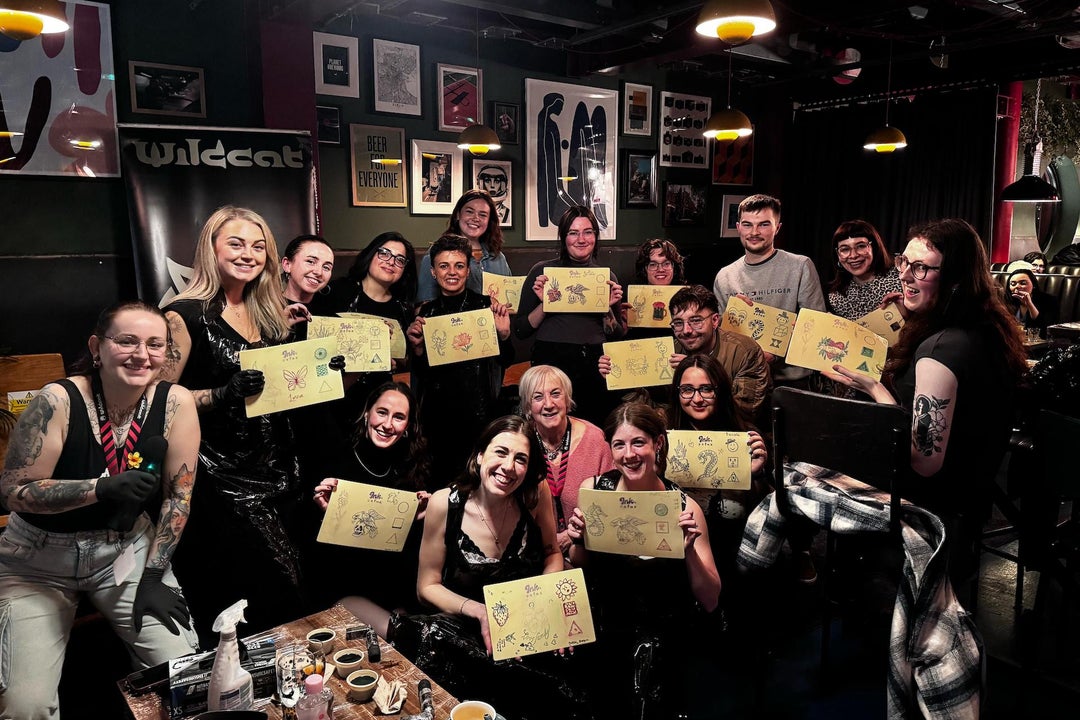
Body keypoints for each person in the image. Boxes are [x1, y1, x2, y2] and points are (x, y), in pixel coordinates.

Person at [0, 301, 200, 718]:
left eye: (155, 345)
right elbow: (14, 491)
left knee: (184, 675)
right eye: (126, 341)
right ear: (97, 346)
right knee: (26, 706)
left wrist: (154, 572)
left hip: (124, 552)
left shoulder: (176, 401)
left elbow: (178, 498)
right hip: (37, 560)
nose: (142, 355)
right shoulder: (59, 398)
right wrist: (100, 488)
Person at [827, 219, 1028, 606]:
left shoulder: (939, 353)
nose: (905, 275)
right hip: (971, 499)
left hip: (931, 510)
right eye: (905, 262)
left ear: (953, 277)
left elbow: (923, 462)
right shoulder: (985, 327)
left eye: (921, 268)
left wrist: (875, 389)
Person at [161, 205, 306, 640]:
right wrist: (221, 394)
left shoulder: (271, 312)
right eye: (236, 243)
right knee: (272, 589)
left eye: (258, 246)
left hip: (281, 469)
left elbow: (286, 389)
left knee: (289, 590)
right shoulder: (184, 315)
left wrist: (322, 368)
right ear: (212, 248)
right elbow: (156, 401)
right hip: (222, 479)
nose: (249, 254)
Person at [394, 415, 586, 720]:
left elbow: (552, 553)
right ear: (480, 455)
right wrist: (481, 612)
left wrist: (545, 600)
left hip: (527, 621)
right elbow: (426, 587)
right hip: (466, 625)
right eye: (501, 452)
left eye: (520, 459)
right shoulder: (445, 503)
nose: (509, 466)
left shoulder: (535, 494)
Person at [566, 402, 720, 720]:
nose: (629, 454)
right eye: (619, 444)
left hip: (663, 631)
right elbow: (581, 564)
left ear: (657, 443)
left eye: (638, 442)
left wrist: (688, 549)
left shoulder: (684, 507)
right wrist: (579, 541)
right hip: (605, 626)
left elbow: (710, 599)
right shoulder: (594, 491)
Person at [310, 381, 431, 630]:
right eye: (382, 412)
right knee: (404, 634)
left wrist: (421, 521)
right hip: (343, 590)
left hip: (393, 592)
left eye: (399, 417)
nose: (388, 424)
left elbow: (405, 560)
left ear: (408, 427)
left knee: (417, 629)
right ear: (367, 414)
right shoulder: (337, 463)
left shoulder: (410, 471)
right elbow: (323, 560)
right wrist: (326, 515)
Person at [407, 233, 516, 474]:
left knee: (477, 481)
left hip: (479, 412)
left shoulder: (487, 306)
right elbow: (422, 375)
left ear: (468, 270)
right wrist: (416, 349)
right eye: (444, 266)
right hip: (437, 417)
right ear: (434, 272)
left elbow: (506, 361)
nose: (452, 272)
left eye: (459, 265)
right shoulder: (426, 313)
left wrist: (504, 335)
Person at [598, 285, 771, 430]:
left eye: (696, 321)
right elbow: (651, 408)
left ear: (715, 320)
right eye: (678, 323)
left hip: (733, 438)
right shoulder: (668, 350)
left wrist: (699, 372)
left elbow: (744, 410)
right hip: (681, 439)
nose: (687, 330)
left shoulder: (744, 351)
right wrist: (620, 379)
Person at [514, 205, 626, 425]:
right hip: (551, 361)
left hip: (595, 365)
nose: (581, 239)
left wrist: (607, 309)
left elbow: (616, 336)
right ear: (564, 238)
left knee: (593, 429)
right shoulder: (542, 272)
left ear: (595, 236)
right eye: (573, 233)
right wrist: (546, 305)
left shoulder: (606, 277)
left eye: (588, 232)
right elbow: (521, 330)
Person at [668, 354, 767, 579]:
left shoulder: (747, 437)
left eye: (706, 389)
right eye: (687, 390)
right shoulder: (664, 437)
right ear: (677, 393)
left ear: (720, 391)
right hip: (677, 552)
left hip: (732, 550)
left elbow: (764, 514)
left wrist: (757, 474)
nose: (697, 398)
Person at [712, 194, 826, 389]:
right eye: (747, 225)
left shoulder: (800, 266)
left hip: (793, 382)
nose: (754, 232)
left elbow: (815, 324)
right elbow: (721, 335)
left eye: (764, 224)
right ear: (738, 227)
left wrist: (775, 354)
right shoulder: (724, 277)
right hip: (743, 379)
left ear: (777, 228)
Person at [518, 365, 614, 562]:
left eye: (555, 394)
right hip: (532, 551)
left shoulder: (595, 439)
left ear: (567, 399)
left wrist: (572, 536)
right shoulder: (519, 443)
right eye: (537, 397)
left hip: (588, 547)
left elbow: (610, 503)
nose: (548, 404)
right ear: (527, 407)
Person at [324, 231, 418, 428]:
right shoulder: (336, 292)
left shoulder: (403, 309)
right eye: (384, 253)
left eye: (400, 259)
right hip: (332, 397)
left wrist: (395, 362)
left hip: (378, 404)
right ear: (371, 255)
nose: (391, 262)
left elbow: (403, 361)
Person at [416, 190, 512, 303]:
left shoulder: (499, 258)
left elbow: (510, 300)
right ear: (458, 215)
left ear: (489, 220)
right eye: (470, 212)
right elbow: (423, 306)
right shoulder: (437, 253)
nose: (476, 218)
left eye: (482, 215)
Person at [825, 219, 902, 321]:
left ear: (874, 247)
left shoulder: (901, 278)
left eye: (861, 246)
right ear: (837, 254)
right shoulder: (836, 297)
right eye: (845, 249)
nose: (853, 255)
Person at [281, 233, 335, 314]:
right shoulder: (265, 310)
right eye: (310, 262)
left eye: (326, 267)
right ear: (287, 265)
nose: (319, 272)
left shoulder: (331, 316)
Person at [1004, 262, 1058, 338]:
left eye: (1023, 283)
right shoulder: (1006, 300)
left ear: (1034, 285)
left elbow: (1044, 329)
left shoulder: (1048, 300)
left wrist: (1029, 304)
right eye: (1013, 284)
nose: (1017, 286)